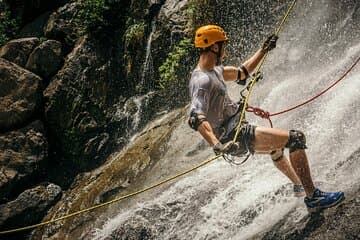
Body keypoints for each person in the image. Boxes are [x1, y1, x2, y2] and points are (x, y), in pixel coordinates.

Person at [188, 24, 344, 212]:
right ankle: (314, 197)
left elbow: (242, 73)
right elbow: (196, 117)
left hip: (235, 131)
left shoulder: (216, 71)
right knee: (296, 139)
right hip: (233, 136)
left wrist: (263, 50)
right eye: (223, 45)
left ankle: (299, 186)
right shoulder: (201, 80)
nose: (225, 49)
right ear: (214, 47)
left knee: (276, 148)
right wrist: (217, 145)